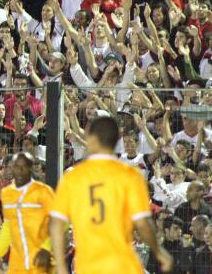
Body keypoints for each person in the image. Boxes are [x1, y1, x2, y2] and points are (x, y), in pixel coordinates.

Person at [48, 115, 173, 274]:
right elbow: (143, 223)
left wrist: (60, 265)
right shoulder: (130, 176)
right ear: (116, 141)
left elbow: (56, 224)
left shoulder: (73, 177)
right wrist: (159, 252)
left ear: (91, 139)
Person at [0, 152, 54, 273]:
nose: (20, 170)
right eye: (16, 166)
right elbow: (8, 225)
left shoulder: (43, 191)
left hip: (42, 260)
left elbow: (61, 221)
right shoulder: (6, 193)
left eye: (24, 166)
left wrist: (46, 248)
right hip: (17, 264)